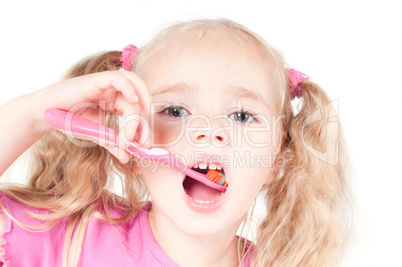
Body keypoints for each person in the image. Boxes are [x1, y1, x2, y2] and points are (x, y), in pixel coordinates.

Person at [0, 19, 352, 266]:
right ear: (134, 145)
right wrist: (28, 115)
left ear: (277, 159)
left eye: (242, 116)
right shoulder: (65, 238)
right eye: (175, 110)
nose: (208, 131)